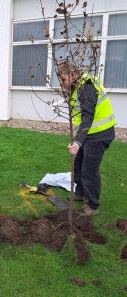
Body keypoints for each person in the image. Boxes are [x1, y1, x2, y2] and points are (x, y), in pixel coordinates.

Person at [58, 61, 116, 216]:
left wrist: (78, 142)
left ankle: (93, 205)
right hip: (89, 133)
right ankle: (80, 193)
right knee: (78, 165)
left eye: (64, 80)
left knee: (89, 171)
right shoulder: (77, 86)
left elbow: (87, 116)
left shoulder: (86, 88)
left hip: (99, 134)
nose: (62, 83)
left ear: (73, 75)